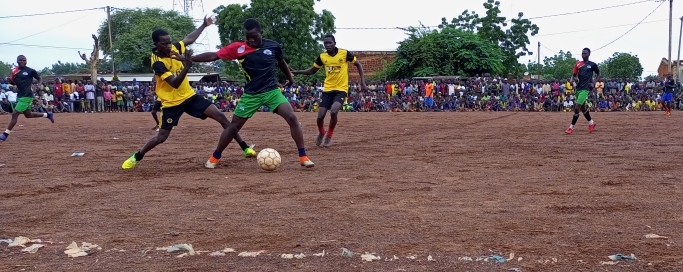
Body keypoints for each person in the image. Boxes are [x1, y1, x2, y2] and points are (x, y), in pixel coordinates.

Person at [122, 17, 256, 169]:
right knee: (161, 137)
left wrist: (204, 25)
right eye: (164, 43)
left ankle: (245, 148)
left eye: (169, 42)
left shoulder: (174, 48)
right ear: (156, 44)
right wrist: (187, 66)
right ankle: (137, 156)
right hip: (171, 102)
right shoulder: (158, 63)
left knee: (222, 117)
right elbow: (174, 83)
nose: (169, 46)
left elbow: (188, 39)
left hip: (189, 96)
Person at [192, 18, 314, 169]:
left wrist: (290, 79)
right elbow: (214, 56)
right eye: (248, 37)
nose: (251, 40)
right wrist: (190, 59)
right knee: (233, 127)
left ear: (261, 33)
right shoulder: (238, 48)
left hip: (271, 91)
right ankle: (214, 157)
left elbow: (282, 63)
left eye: (254, 36)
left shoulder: (273, 46)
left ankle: (303, 157)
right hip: (251, 95)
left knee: (292, 117)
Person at [290, 34, 367, 147]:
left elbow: (358, 64)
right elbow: (312, 71)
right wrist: (296, 72)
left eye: (329, 43)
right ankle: (321, 132)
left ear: (334, 43)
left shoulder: (344, 53)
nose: (327, 45)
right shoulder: (322, 57)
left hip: (341, 89)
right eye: (325, 43)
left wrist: (362, 82)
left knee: (334, 111)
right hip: (328, 89)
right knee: (320, 116)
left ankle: (329, 136)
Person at [0, 55, 54, 141]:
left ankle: (5, 134)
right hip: (20, 95)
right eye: (20, 60)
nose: (21, 61)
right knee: (28, 115)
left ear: (26, 61)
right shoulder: (14, 71)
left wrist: (39, 85)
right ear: (17, 61)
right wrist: (11, 82)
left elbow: (39, 78)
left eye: (23, 60)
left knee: (14, 114)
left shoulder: (30, 71)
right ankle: (47, 115)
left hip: (27, 95)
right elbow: (14, 82)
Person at [566, 48, 599, 134]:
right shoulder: (578, 64)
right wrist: (571, 80)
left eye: (585, 53)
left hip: (586, 88)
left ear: (589, 54)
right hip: (578, 88)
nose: (583, 54)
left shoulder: (592, 65)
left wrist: (594, 83)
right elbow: (573, 75)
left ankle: (571, 127)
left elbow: (598, 74)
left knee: (577, 108)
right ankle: (591, 123)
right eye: (582, 53)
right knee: (583, 108)